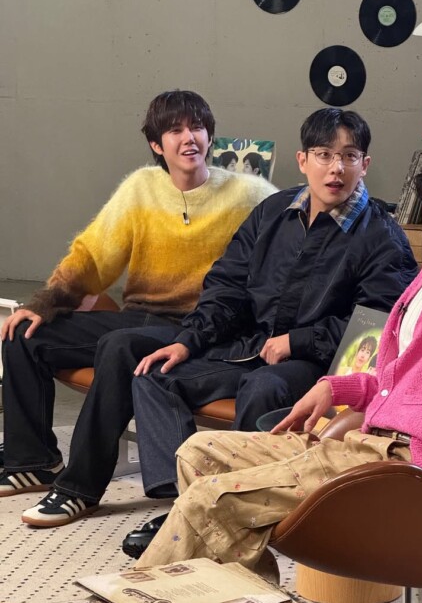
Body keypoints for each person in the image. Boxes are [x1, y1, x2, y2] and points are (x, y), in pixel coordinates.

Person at [126, 87, 422, 567]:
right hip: (366, 441)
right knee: (197, 452)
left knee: (211, 498)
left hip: (407, 468)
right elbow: (400, 378)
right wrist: (338, 387)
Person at [0, 90, 276, 525]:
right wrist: (45, 302)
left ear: (210, 135)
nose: (189, 138)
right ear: (156, 144)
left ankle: (79, 489)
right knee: (23, 334)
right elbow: (93, 256)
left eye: (197, 127)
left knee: (119, 345)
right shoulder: (141, 188)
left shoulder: (250, 194)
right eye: (175, 130)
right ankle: (33, 460)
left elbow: (294, 238)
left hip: (199, 328)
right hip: (140, 317)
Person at [124, 107, 417, 514]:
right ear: (303, 160)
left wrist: (297, 341)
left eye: (349, 156)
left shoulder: (382, 236)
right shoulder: (273, 211)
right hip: (255, 347)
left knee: (263, 387)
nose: (336, 168)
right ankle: (184, 501)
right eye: (324, 155)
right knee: (156, 376)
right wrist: (188, 340)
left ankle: (240, 503)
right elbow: (227, 285)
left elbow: (374, 328)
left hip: (319, 366)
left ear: (364, 165)